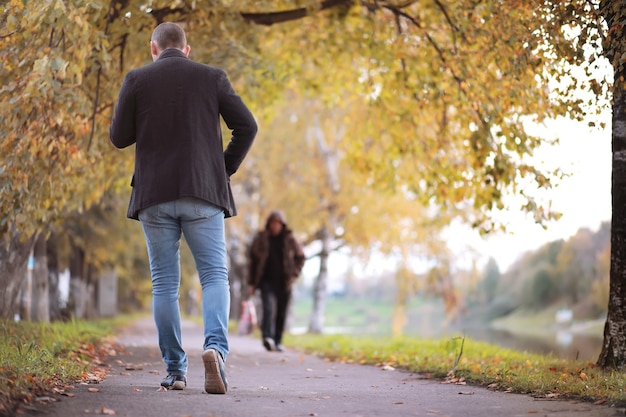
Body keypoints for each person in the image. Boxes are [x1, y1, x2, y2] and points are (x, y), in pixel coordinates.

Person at [109, 22, 257, 394]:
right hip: (203, 191)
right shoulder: (212, 77)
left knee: (164, 284)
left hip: (153, 195)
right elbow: (247, 127)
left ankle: (175, 371)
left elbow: (119, 137)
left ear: (153, 48)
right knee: (213, 276)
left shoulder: (137, 79)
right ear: (187, 49)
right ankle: (215, 351)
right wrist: (222, 168)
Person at [247, 210, 305, 352]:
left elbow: (301, 257)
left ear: (282, 225)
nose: (275, 226)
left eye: (278, 223)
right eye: (273, 223)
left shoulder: (290, 239)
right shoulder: (261, 238)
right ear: (269, 224)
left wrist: (294, 274)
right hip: (266, 281)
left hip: (285, 282)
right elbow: (252, 261)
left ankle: (278, 341)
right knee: (268, 308)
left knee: (282, 312)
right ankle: (267, 337)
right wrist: (251, 283)